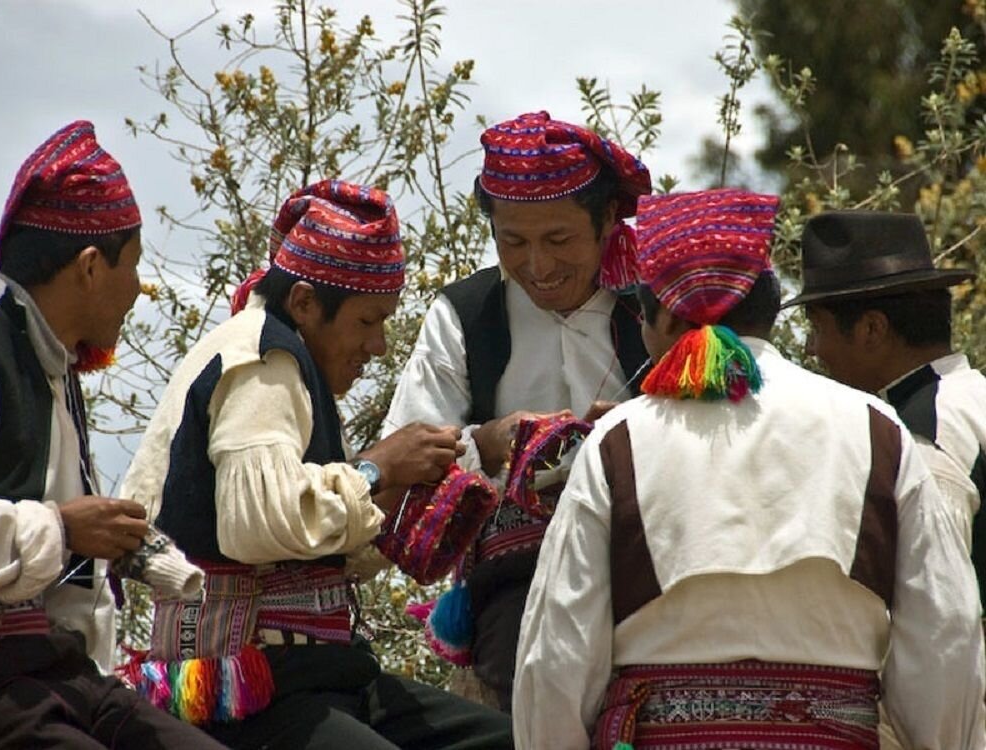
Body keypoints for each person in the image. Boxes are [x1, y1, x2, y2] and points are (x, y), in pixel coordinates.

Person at [512, 188, 986, 750]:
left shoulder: (619, 441)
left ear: (665, 313)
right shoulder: (877, 429)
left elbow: (556, 659)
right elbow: (944, 638)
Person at [119, 179, 513, 749]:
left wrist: (448, 478)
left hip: (325, 675)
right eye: (366, 321)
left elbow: (308, 546)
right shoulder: (260, 360)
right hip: (250, 688)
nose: (377, 346)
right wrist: (377, 469)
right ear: (305, 301)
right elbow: (257, 525)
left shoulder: (292, 364)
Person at [382, 110, 652, 709]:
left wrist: (639, 432)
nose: (538, 266)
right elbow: (398, 465)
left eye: (559, 240)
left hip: (648, 590)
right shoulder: (466, 316)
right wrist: (487, 443)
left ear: (609, 218)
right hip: (511, 607)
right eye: (514, 242)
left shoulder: (656, 308)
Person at [0, 120, 224, 748]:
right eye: (135, 267)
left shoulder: (56, 372)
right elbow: (53, 528)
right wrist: (62, 528)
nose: (139, 290)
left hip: (61, 674)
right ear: (91, 267)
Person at [785, 210, 985, 590]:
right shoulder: (968, 398)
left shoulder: (926, 432)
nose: (812, 349)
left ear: (872, 328)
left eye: (817, 328)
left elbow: (941, 604)